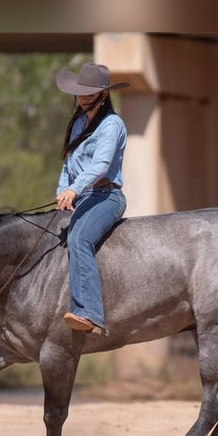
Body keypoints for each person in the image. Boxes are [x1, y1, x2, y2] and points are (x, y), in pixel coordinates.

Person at [54, 62, 130, 335]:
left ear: (103, 94)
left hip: (106, 196)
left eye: (88, 93)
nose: (83, 98)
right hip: (81, 195)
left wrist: (74, 189)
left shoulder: (112, 124)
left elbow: (100, 165)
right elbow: (68, 162)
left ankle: (89, 313)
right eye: (80, 93)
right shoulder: (76, 122)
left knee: (79, 238)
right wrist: (62, 191)